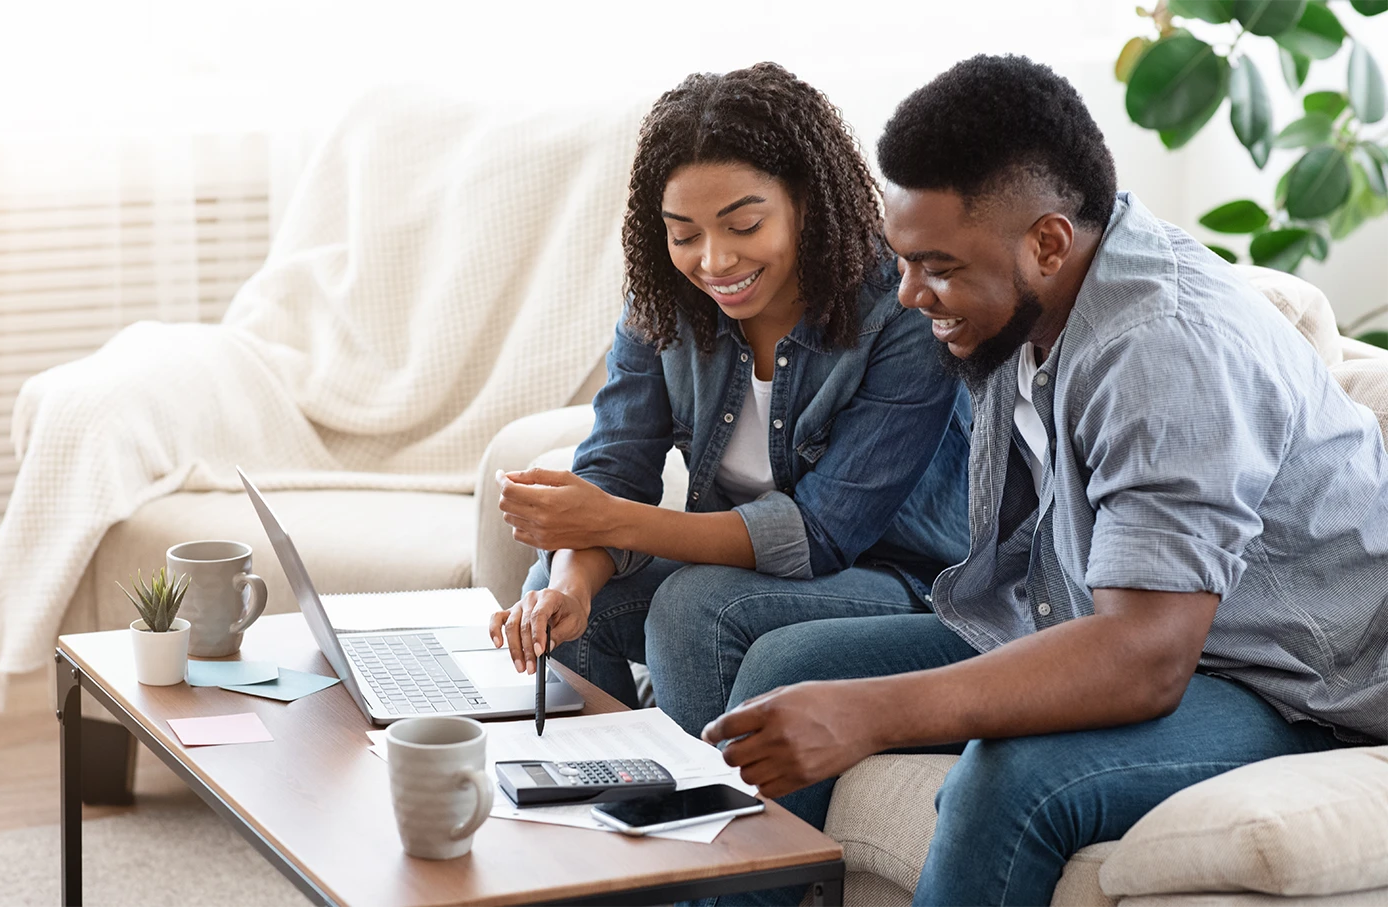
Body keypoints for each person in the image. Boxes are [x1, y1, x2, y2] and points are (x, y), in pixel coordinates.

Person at [700, 55, 1388, 907]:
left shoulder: (1162, 348)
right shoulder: (1026, 302)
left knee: (1011, 773)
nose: (911, 293)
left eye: (939, 266)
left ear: (1049, 242)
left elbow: (1144, 656)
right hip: (1099, 612)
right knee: (785, 663)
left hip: (1285, 683)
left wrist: (873, 711)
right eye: (904, 260)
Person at [486, 62, 972, 738]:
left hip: (901, 581)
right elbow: (616, 468)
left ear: (806, 200)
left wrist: (610, 519)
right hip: (760, 575)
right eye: (685, 234)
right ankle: (594, 797)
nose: (713, 261)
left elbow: (823, 534)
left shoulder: (899, 308)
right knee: (563, 589)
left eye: (743, 226)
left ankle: (704, 830)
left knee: (694, 607)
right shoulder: (665, 303)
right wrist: (569, 579)